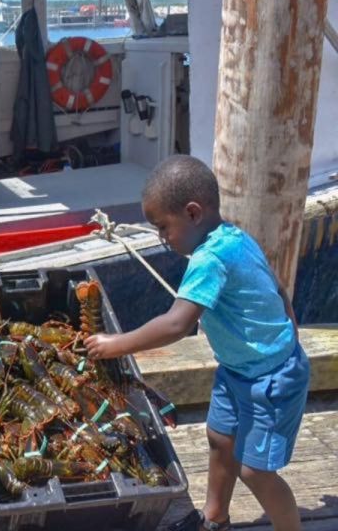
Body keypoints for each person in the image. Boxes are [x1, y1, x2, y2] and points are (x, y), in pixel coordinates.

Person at [84, 156, 308, 531]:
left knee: (256, 471)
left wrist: (116, 344)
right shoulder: (236, 237)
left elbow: (176, 324)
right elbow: (276, 286)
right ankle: (215, 517)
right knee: (220, 437)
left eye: (163, 227)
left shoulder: (209, 259)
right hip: (238, 370)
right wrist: (290, 326)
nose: (162, 238)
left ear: (192, 213)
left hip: (272, 381)